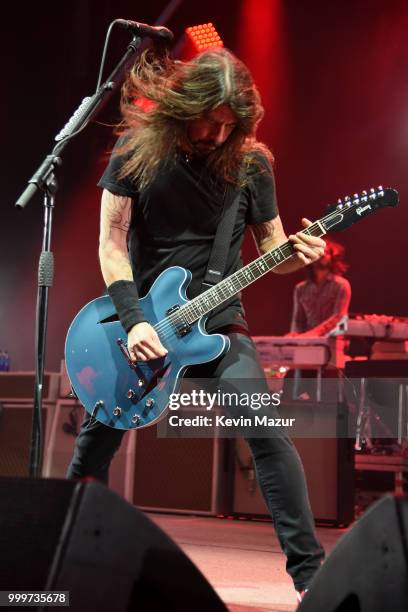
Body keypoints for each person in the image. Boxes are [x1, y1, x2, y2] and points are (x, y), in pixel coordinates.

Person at [67, 48, 326, 601]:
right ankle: (60, 562)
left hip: (218, 323)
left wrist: (300, 255)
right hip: (138, 324)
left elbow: (273, 247)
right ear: (185, 104)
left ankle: (313, 581)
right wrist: (135, 321)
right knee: (98, 438)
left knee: (268, 434)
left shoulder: (250, 163)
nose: (217, 132)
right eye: (210, 119)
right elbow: (111, 245)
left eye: (230, 124)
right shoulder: (136, 151)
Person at [290, 238, 351, 336]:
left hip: (333, 340)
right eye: (318, 252)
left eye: (326, 252)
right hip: (307, 342)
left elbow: (338, 317)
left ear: (332, 257)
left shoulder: (341, 285)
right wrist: (294, 337)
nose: (322, 255)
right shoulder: (300, 288)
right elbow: (298, 320)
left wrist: (313, 334)